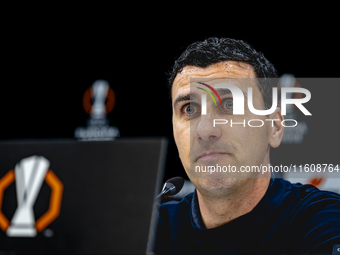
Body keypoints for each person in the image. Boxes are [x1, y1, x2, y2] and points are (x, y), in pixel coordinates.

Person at [153, 37, 340, 255]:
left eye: (230, 104)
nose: (204, 130)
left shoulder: (321, 220)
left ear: (275, 127)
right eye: (190, 109)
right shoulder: (150, 230)